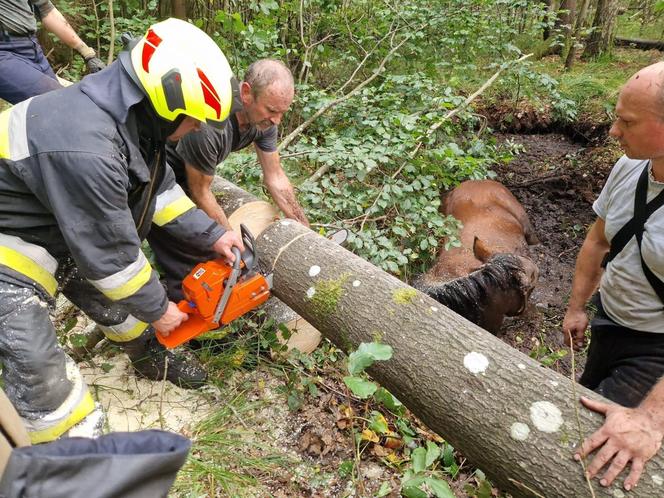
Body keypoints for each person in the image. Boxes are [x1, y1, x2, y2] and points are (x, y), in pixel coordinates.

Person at [0, 18, 243, 444]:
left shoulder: (126, 121)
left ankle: (149, 355)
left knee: (128, 306)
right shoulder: (87, 145)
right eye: (196, 118)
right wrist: (163, 309)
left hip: (56, 229)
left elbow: (161, 192)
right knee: (40, 372)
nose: (200, 128)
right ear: (167, 101)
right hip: (11, 247)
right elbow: (113, 258)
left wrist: (213, 235)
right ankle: (71, 451)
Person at [562, 61, 664, 491]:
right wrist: (576, 307)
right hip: (609, 323)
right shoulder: (629, 168)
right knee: (575, 407)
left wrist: (651, 419)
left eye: (627, 121)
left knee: (589, 451)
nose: (613, 131)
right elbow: (598, 242)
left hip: (655, 350)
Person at [165, 58, 309, 231]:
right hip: (160, 173)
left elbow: (275, 176)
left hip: (196, 172)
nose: (277, 120)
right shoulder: (211, 122)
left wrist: (302, 223)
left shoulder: (264, 121)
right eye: (271, 110)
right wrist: (233, 241)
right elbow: (200, 192)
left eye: (282, 113)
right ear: (246, 93)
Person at [0, 0, 105, 104]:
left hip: (32, 46)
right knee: (61, 103)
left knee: (60, 103)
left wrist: (87, 53)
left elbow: (46, 9)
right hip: (3, 52)